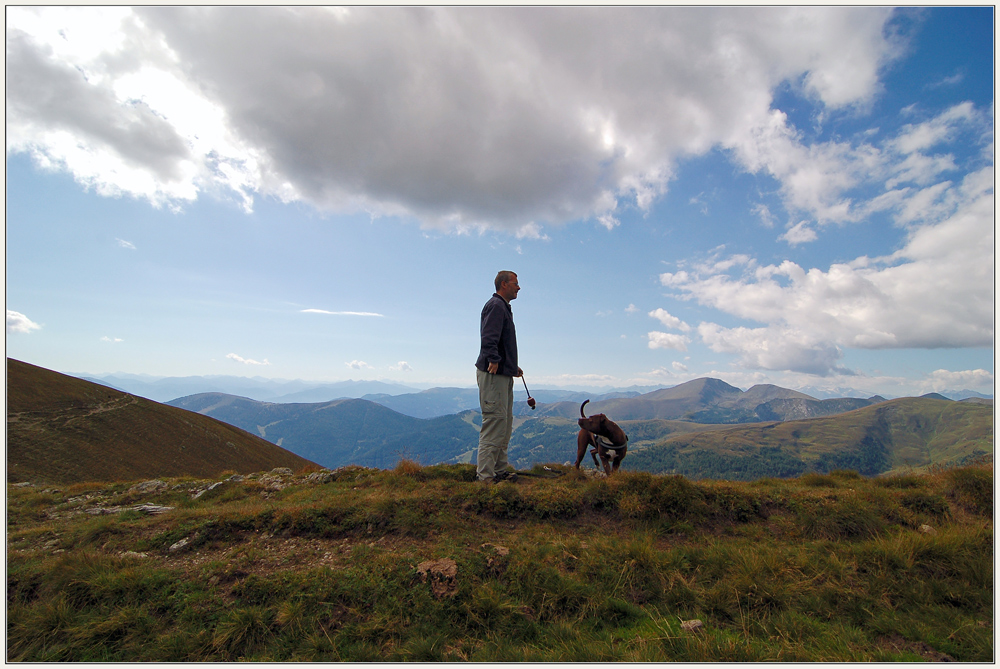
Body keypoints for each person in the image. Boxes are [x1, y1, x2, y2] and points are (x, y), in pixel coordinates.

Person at [475, 270, 523, 483]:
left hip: (502, 373)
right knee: (495, 423)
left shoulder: (502, 307)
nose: (518, 287)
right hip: (493, 374)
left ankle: (499, 470)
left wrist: (512, 367)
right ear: (504, 284)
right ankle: (485, 477)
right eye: (515, 283)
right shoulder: (496, 306)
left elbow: (499, 340)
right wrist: (494, 359)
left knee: (504, 424)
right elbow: (489, 337)